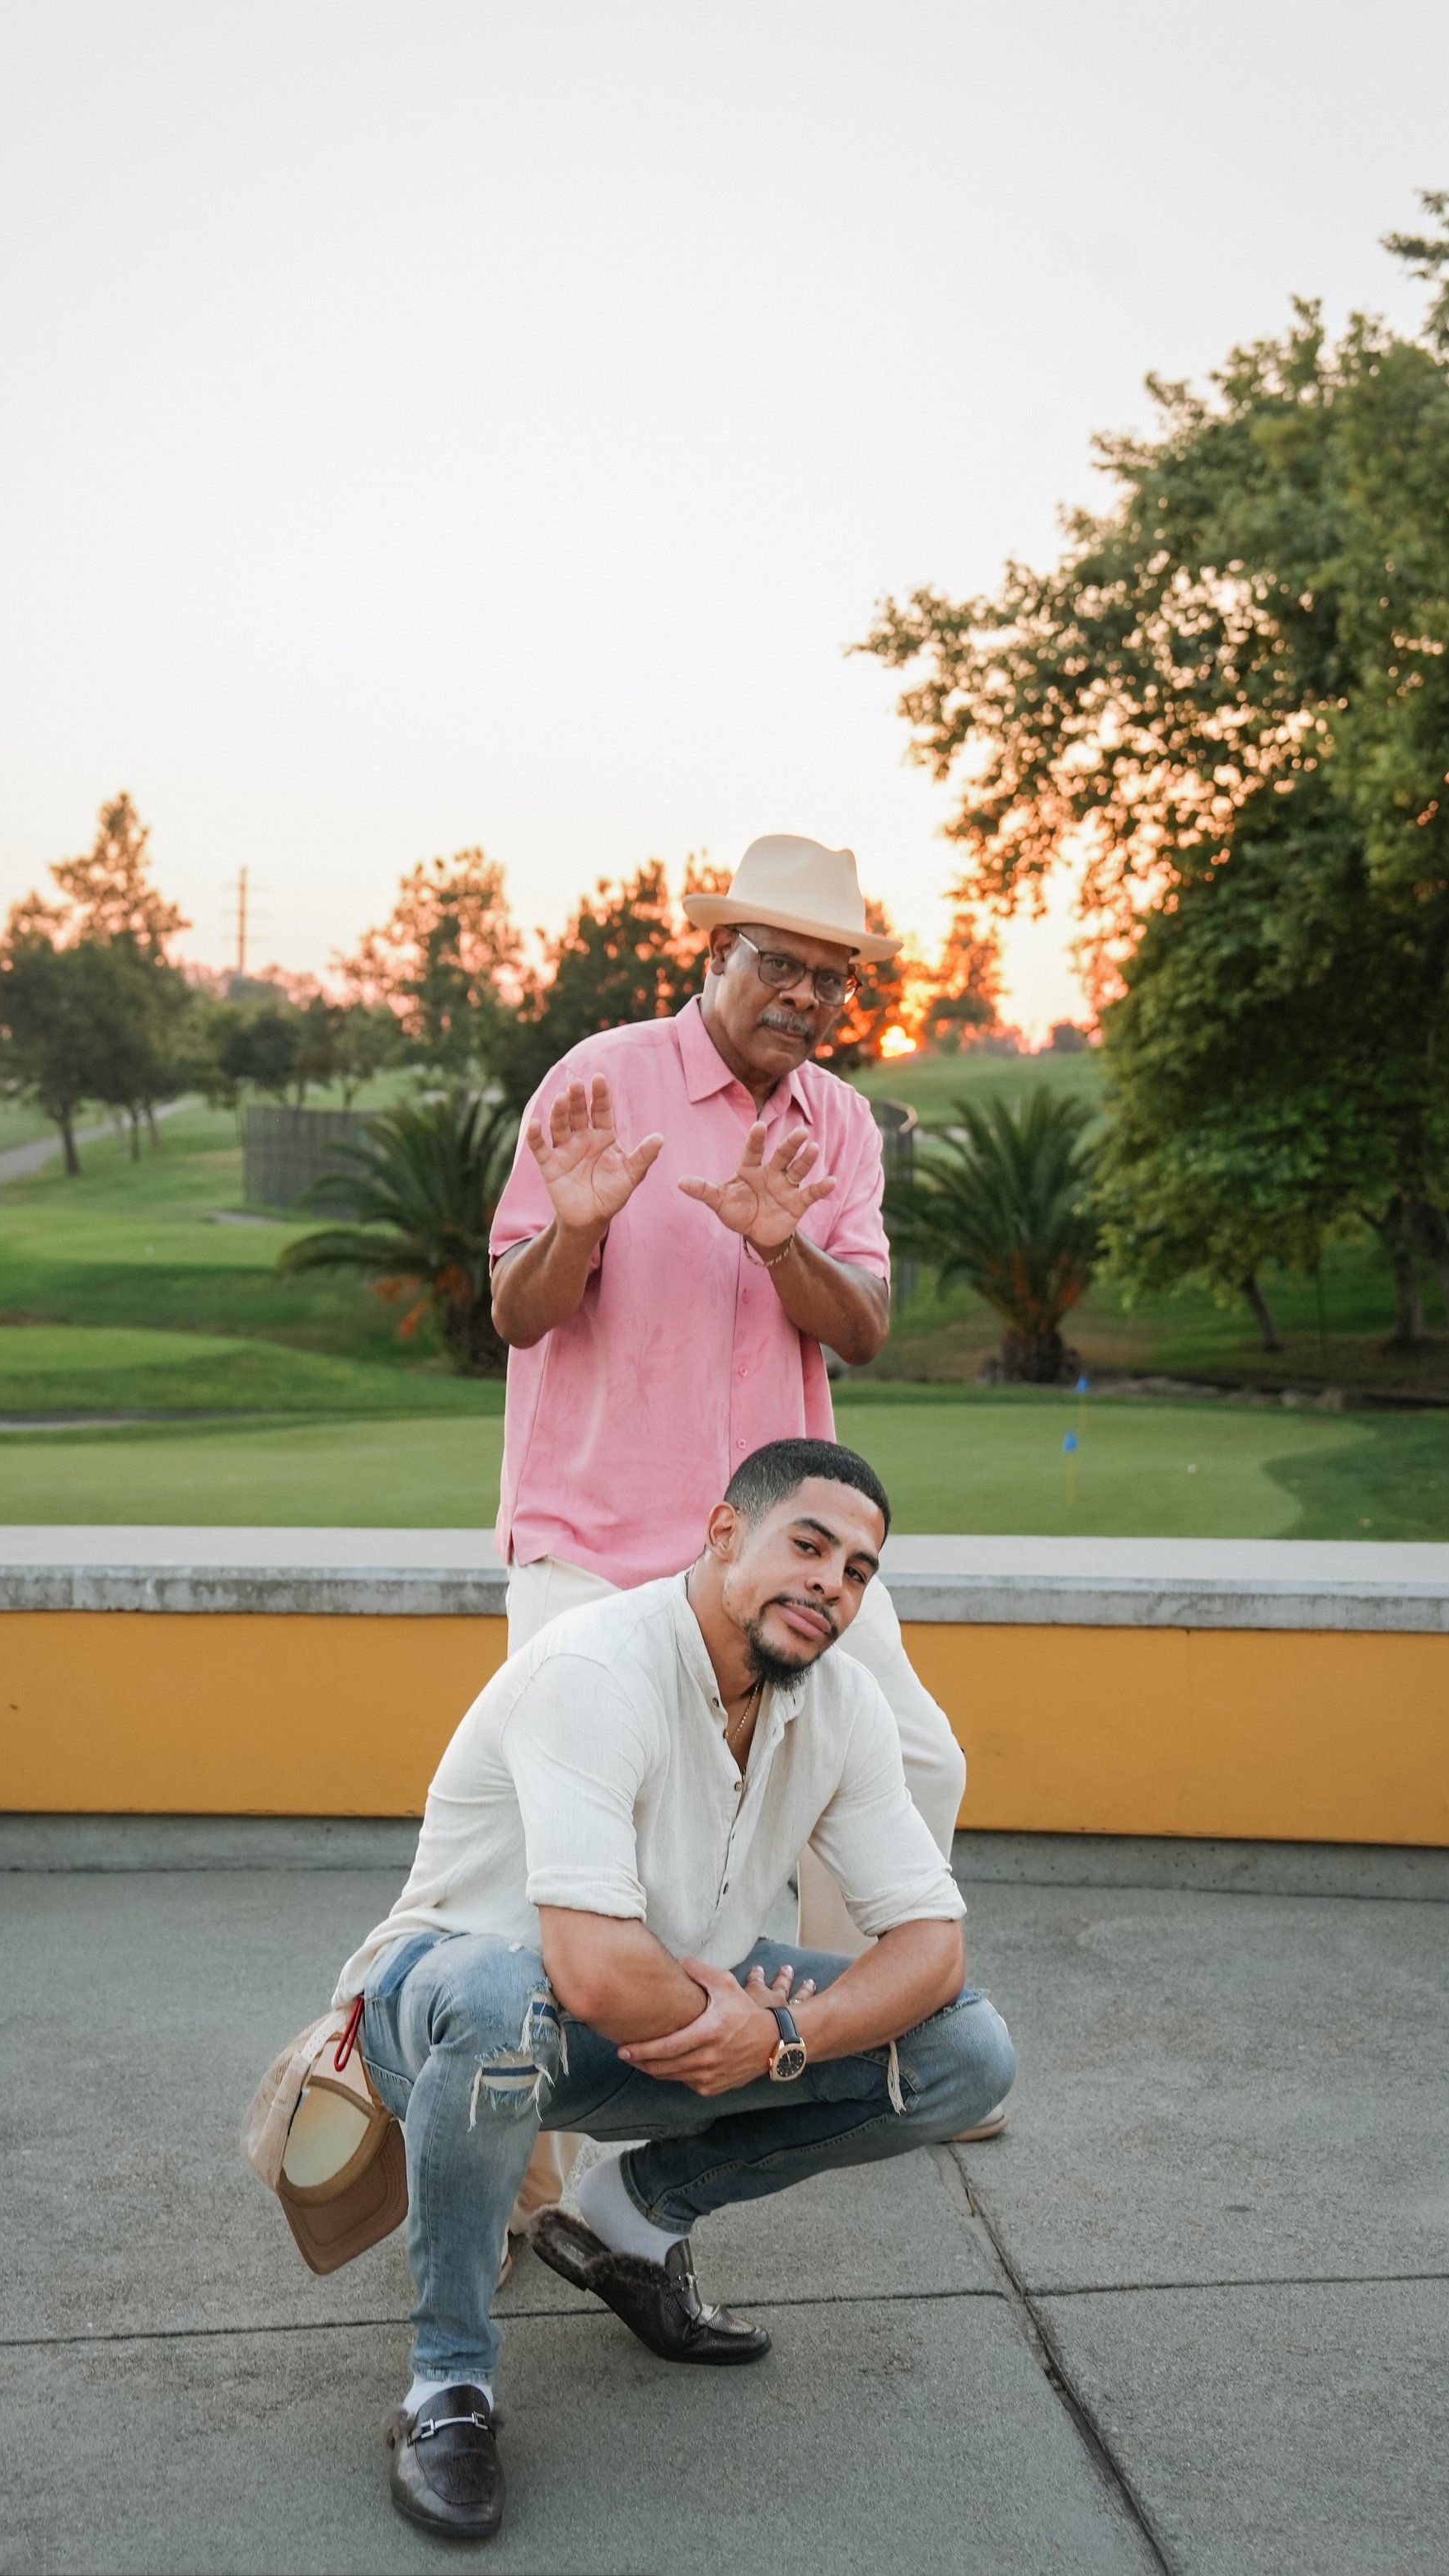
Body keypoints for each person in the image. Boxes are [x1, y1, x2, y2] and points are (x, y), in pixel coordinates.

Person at [341, 1438, 1015, 2541]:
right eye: (808, 1545)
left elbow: (932, 1940)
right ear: (720, 1535)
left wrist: (786, 2032)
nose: (831, 1585)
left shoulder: (838, 1703)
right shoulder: (598, 1665)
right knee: (503, 1991)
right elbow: (590, 1964)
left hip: (660, 2026)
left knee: (967, 2050)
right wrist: (750, 2031)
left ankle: (632, 2216)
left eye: (858, 1569)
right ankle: (446, 2383)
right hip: (446, 2014)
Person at [487, 834, 998, 2220]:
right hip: (595, 1538)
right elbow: (517, 1312)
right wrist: (578, 1226)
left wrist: (785, 1243)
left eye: (830, 977)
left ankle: (827, 2041)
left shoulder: (836, 1122)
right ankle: (532, 2145)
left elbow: (870, 1325)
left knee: (917, 1758)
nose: (805, 995)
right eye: (777, 961)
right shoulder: (600, 1080)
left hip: (780, 1548)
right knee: (553, 1843)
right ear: (713, 955)